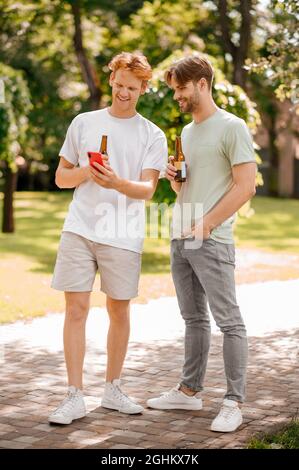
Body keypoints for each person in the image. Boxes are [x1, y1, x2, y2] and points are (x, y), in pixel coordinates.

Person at [49, 52, 168, 425]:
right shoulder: (84, 122)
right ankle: (73, 395)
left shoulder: (152, 134)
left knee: (119, 310)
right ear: (111, 79)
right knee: (76, 309)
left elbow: (148, 189)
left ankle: (112, 388)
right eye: (118, 85)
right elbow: (60, 178)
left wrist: (116, 182)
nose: (122, 93)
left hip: (123, 234)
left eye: (131, 88)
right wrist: (88, 171)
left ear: (143, 88)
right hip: (80, 228)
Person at [147, 54, 256, 433]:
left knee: (229, 321)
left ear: (202, 84)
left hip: (211, 239)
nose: (176, 95)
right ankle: (190, 392)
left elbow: (246, 186)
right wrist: (175, 179)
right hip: (181, 237)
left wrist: (206, 225)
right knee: (193, 319)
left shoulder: (232, 126)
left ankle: (233, 401)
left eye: (180, 88)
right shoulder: (187, 132)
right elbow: (187, 187)